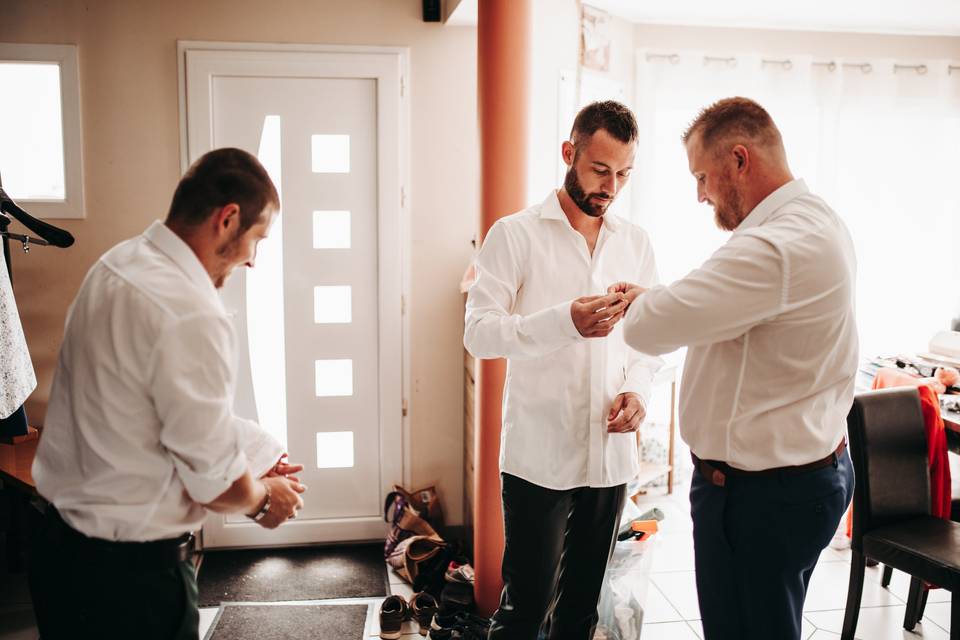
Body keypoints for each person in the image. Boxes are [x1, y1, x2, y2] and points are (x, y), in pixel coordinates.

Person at [30, 148, 306, 640]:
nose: (253, 260)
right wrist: (266, 500)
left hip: (60, 558)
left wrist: (258, 451)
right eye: (257, 239)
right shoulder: (190, 311)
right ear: (227, 219)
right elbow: (216, 485)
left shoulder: (116, 264)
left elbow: (140, 406)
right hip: (132, 587)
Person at [615, 97, 858, 640]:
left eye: (702, 177)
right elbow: (722, 308)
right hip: (804, 476)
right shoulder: (818, 220)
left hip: (760, 500)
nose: (700, 195)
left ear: (740, 160)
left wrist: (643, 304)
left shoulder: (773, 249)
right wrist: (658, 299)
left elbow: (647, 330)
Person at [464, 100, 662, 640]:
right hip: (538, 456)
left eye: (624, 174)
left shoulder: (636, 242)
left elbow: (648, 340)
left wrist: (638, 392)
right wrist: (563, 322)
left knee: (581, 614)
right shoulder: (514, 235)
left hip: (609, 457)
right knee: (524, 613)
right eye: (600, 169)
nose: (611, 187)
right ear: (568, 153)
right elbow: (478, 332)